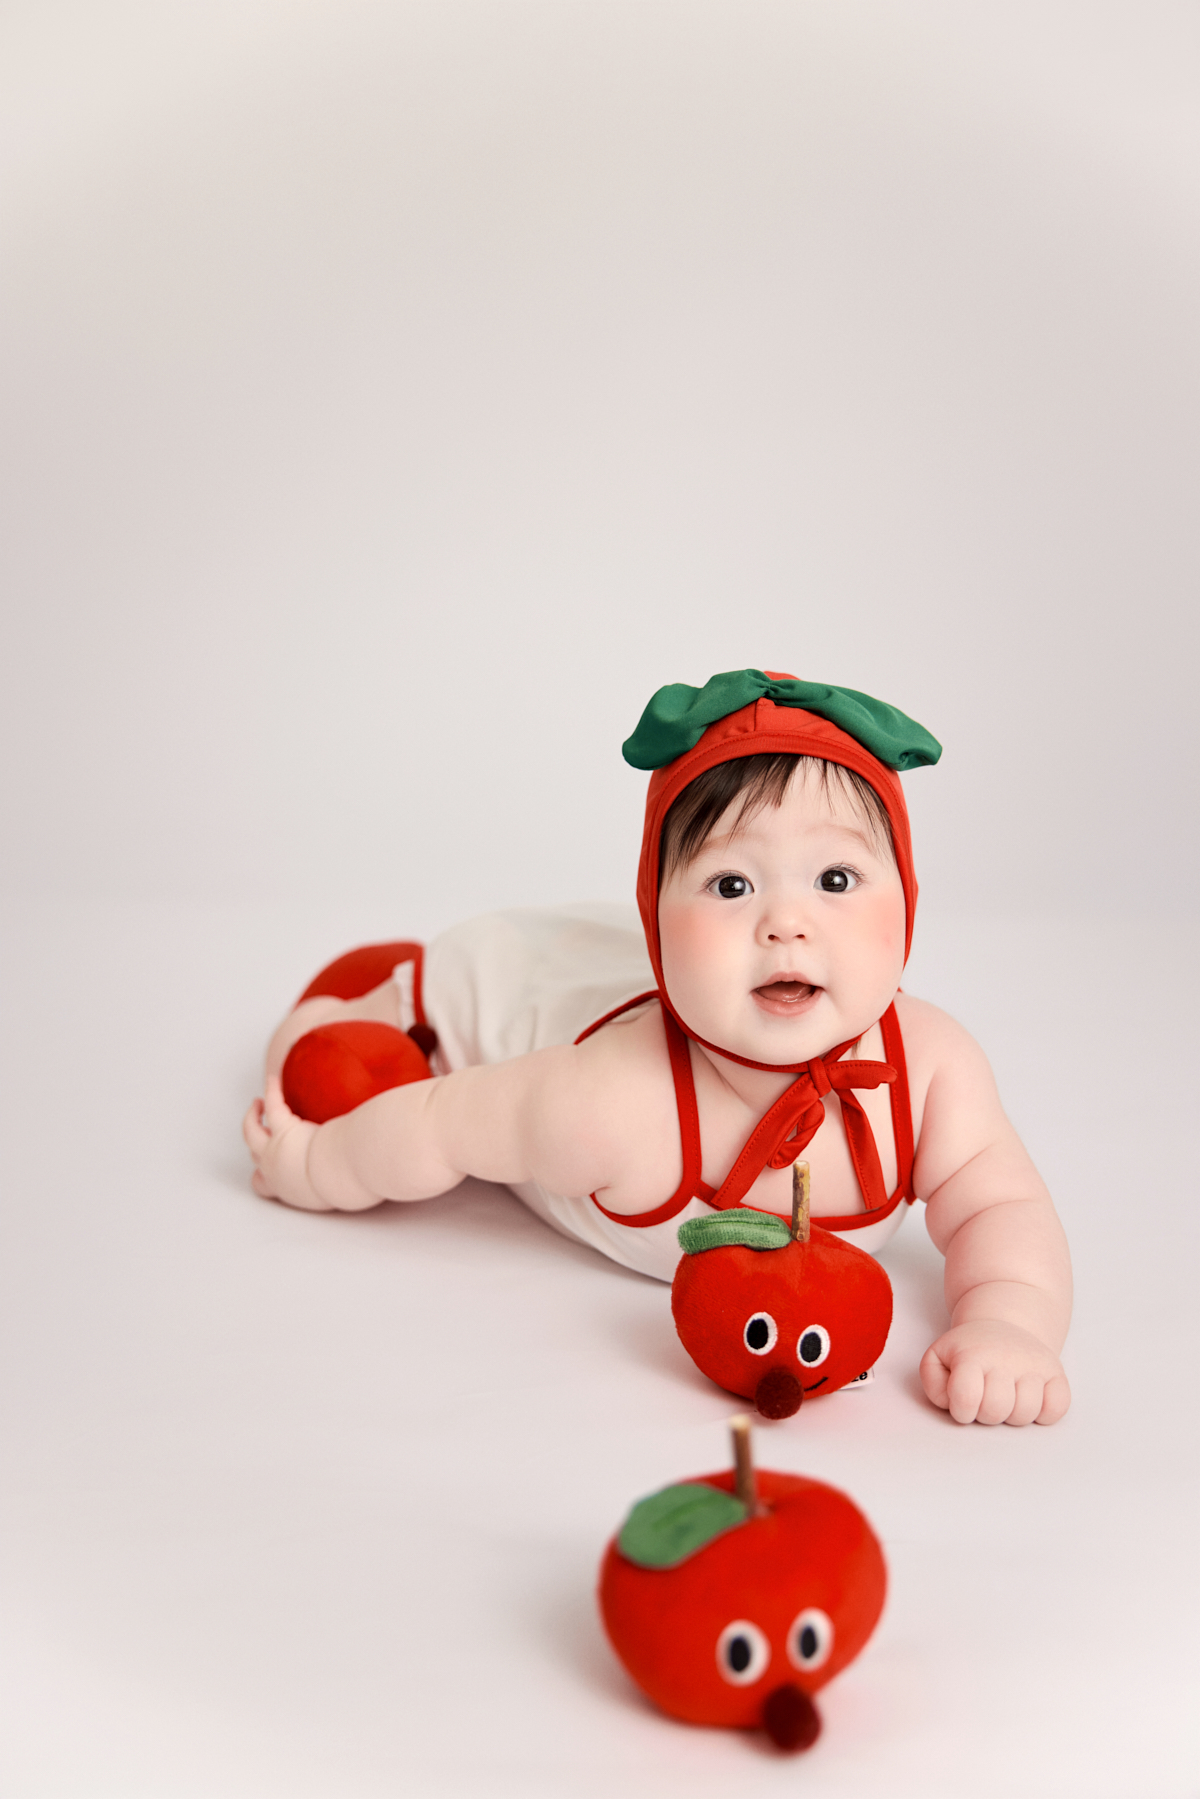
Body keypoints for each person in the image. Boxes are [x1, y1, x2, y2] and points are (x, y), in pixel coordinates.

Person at [244, 671, 1072, 1427]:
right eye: (731, 884)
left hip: (651, 975)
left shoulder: (929, 1069)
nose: (787, 924)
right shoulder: (613, 1099)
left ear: (907, 901)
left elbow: (1001, 1204)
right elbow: (443, 1124)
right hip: (523, 992)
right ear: (660, 922)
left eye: (835, 880)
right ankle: (357, 997)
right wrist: (314, 1163)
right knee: (347, 1044)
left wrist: (1010, 1322)